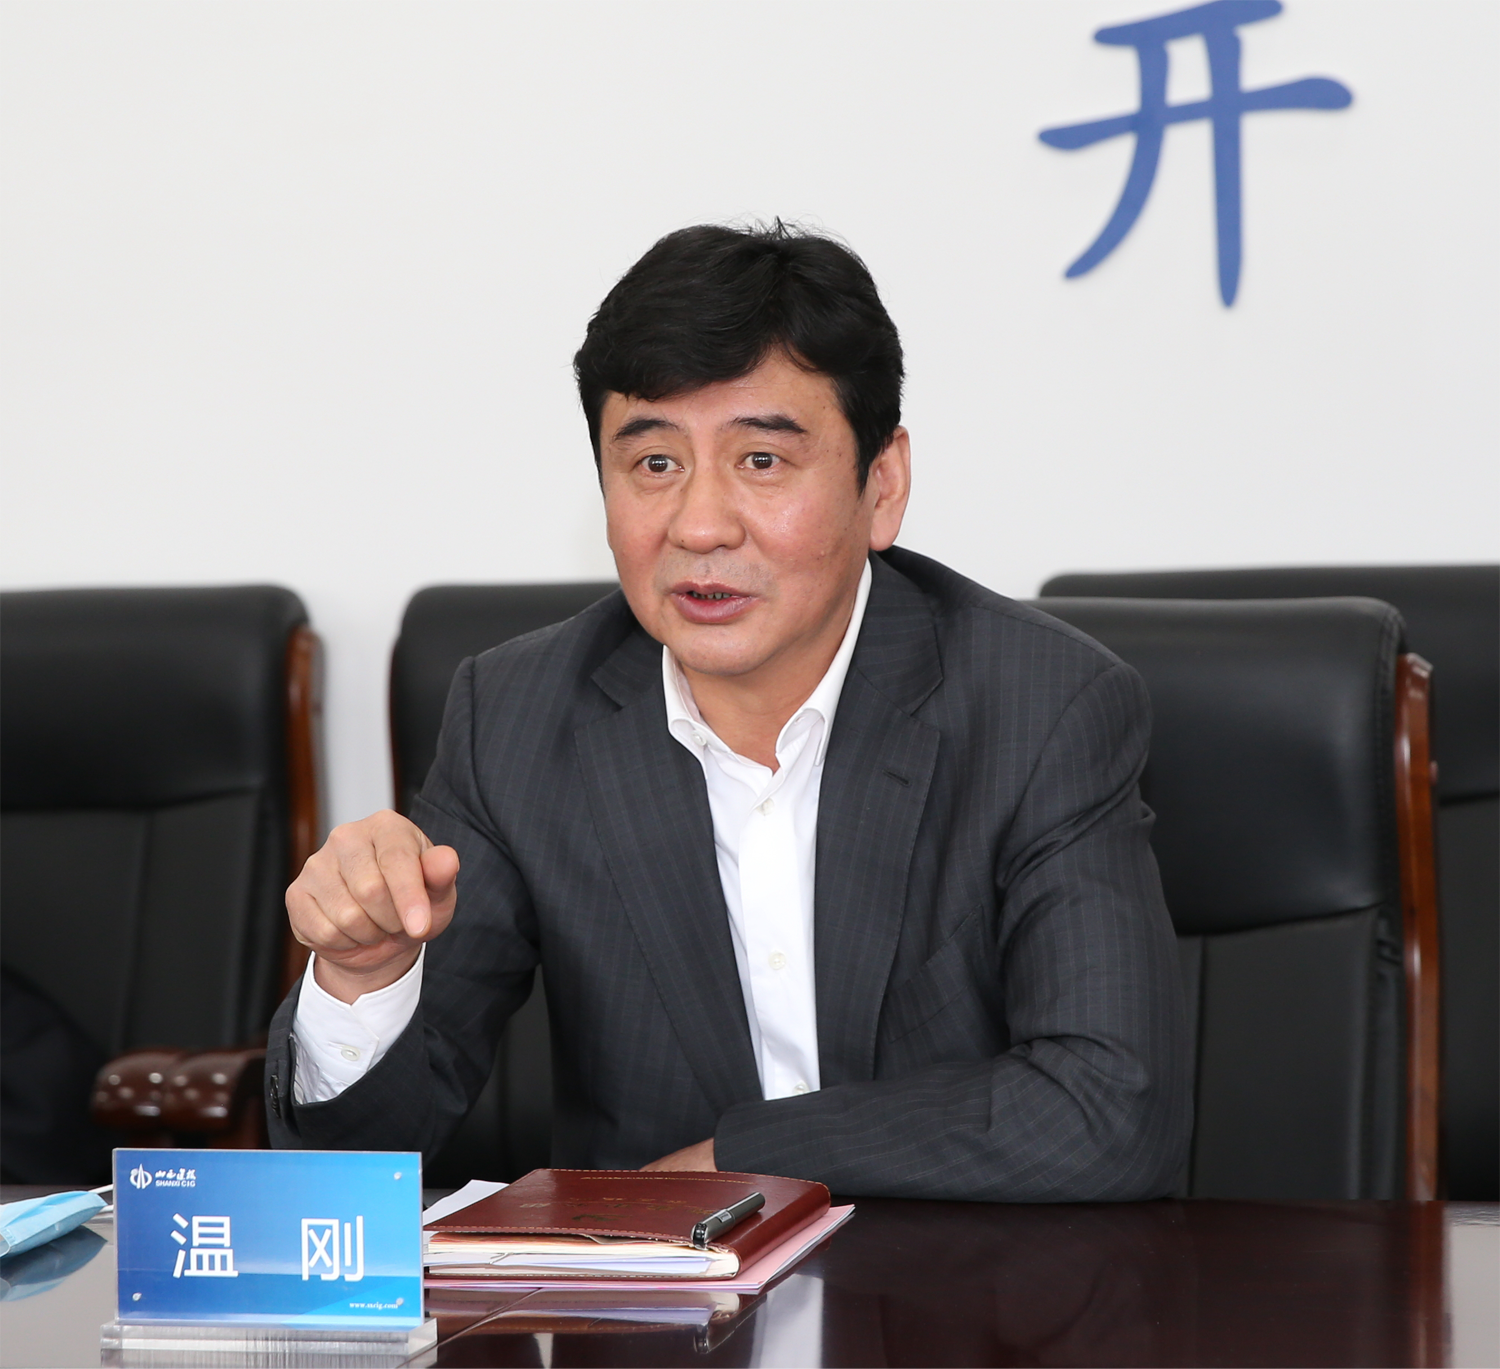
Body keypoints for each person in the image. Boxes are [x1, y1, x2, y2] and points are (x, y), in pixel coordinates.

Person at [266, 222, 1189, 1200]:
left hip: (958, 1287)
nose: (700, 525)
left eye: (761, 460)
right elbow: (352, 1168)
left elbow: (1111, 1103)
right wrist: (363, 980)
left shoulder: (1041, 707)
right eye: (655, 465)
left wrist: (753, 1158)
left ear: (882, 486)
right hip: (651, 1298)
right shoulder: (518, 718)